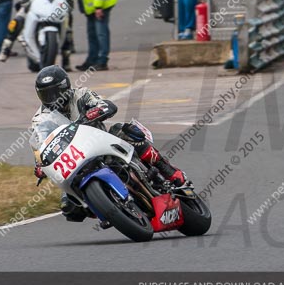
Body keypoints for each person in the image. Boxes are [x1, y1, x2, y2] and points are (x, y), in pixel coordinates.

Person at [30, 65, 189, 222]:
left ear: (64, 87)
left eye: (53, 92)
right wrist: (39, 164)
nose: (51, 98)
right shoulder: (40, 119)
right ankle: (108, 209)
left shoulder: (81, 94)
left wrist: (96, 111)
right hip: (74, 160)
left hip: (102, 142)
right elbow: (39, 146)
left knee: (127, 131)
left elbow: (107, 105)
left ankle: (168, 170)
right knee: (69, 208)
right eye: (45, 94)